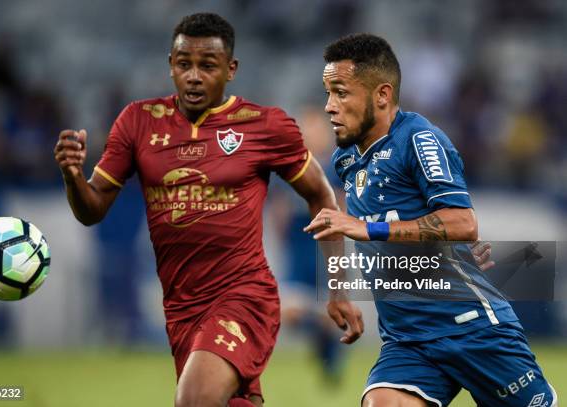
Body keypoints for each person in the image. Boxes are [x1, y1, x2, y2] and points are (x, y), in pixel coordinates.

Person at [53, 13, 362, 407]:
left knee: (195, 399)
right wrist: (71, 177)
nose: (194, 76)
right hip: (182, 307)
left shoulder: (265, 126)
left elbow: (322, 196)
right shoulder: (138, 123)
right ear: (170, 65)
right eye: (184, 64)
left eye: (207, 65)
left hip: (244, 298)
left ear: (231, 70)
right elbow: (91, 209)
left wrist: (336, 288)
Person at [305, 33, 557, 406]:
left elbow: (463, 223)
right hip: (408, 341)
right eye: (327, 92)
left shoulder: (418, 139)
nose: (329, 106)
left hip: (471, 327)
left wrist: (369, 228)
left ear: (382, 95)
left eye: (341, 92)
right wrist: (338, 292)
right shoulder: (346, 160)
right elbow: (331, 222)